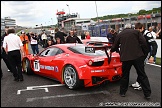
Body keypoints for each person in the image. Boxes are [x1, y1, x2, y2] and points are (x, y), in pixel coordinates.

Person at [110, 23, 151, 100]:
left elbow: (115, 45)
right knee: (142, 75)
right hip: (137, 56)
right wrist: (144, 53)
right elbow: (144, 43)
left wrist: (111, 50)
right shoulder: (137, 32)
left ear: (124, 28)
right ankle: (147, 93)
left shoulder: (120, 34)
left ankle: (122, 92)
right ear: (131, 27)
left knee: (125, 75)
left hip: (126, 57)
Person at [130, 22, 158, 91]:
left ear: (142, 28)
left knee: (141, 68)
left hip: (146, 53)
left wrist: (152, 56)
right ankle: (138, 82)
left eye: (138, 30)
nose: (137, 31)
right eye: (135, 29)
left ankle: (140, 84)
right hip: (139, 54)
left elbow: (154, 45)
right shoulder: (136, 33)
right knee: (139, 68)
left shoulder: (147, 34)